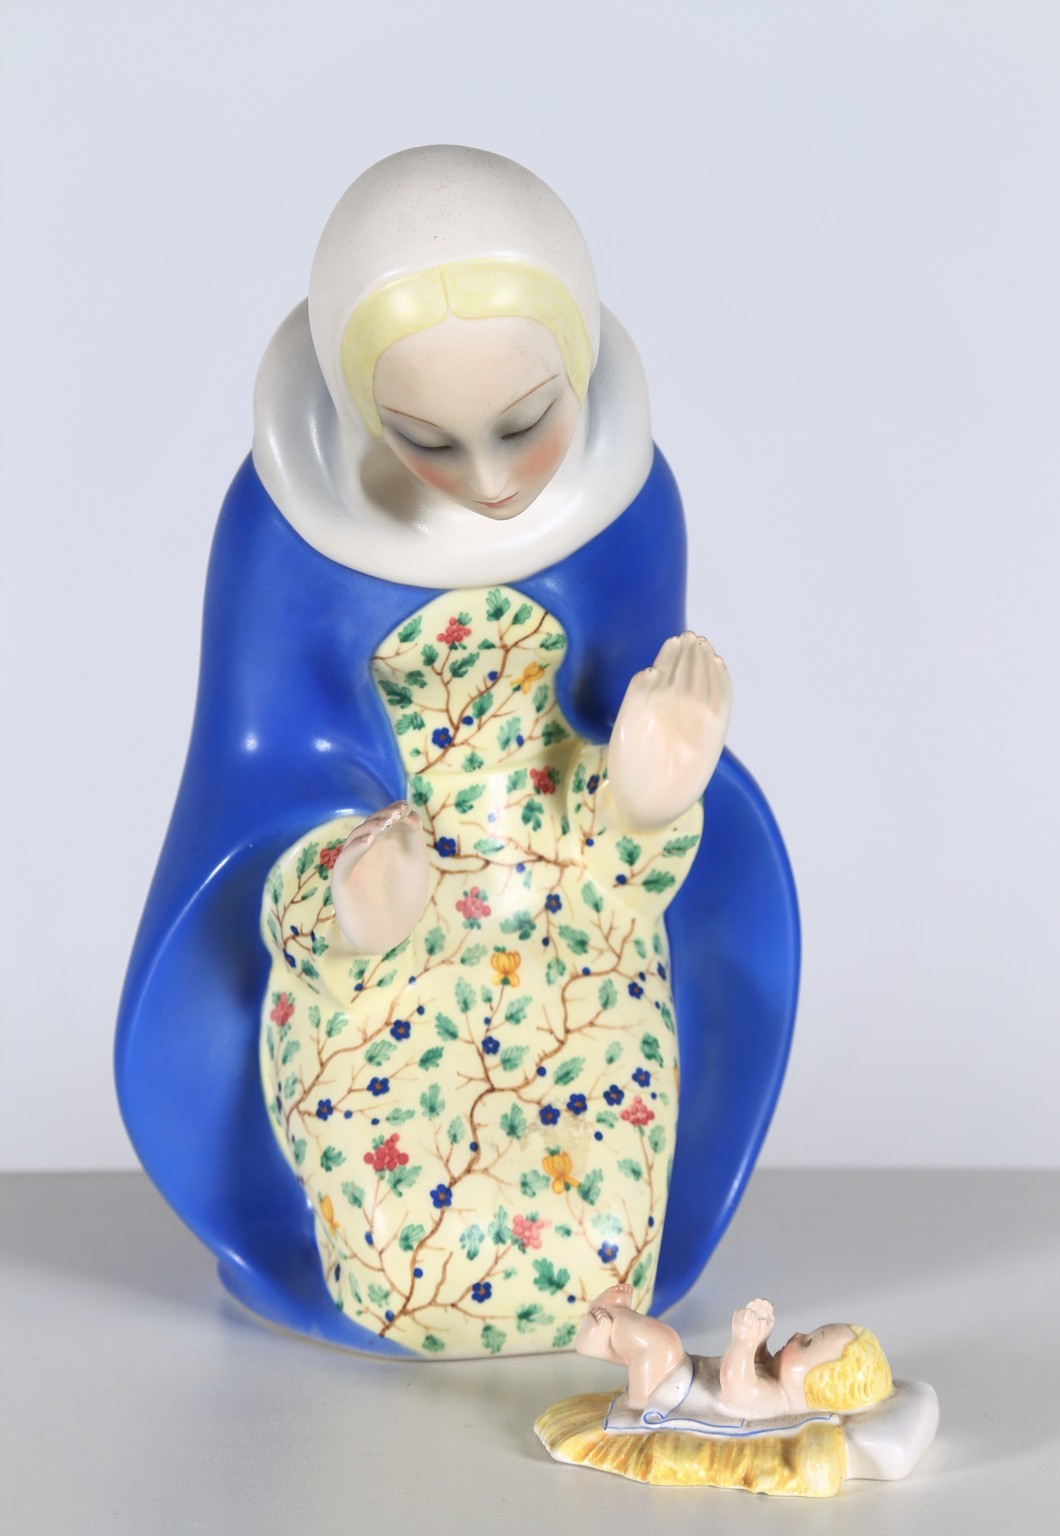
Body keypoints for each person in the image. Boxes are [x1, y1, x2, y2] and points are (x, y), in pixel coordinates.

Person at [116, 147, 801, 1354]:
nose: (486, 479)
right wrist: (348, 895)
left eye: (524, 423)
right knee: (411, 1249)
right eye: (424, 438)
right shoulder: (284, 534)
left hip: (575, 917)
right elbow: (257, 765)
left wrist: (645, 792)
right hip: (386, 952)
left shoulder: (628, 506)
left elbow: (616, 708)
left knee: (595, 1237)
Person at [575, 1287, 893, 1419]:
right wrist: (760, 1340)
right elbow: (756, 1366)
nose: (798, 1335)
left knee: (662, 1343)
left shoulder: (775, 1400)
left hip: (672, 1394)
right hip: (683, 1376)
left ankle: (610, 1316)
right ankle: (600, 1338)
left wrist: (743, 1341)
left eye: (807, 1343)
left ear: (812, 1384)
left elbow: (736, 1386)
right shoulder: (774, 1381)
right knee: (648, 1351)